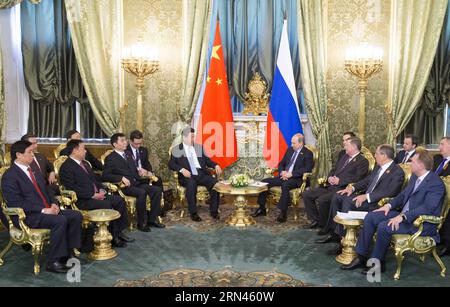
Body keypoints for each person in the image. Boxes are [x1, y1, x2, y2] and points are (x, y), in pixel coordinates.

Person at [341, 149, 445, 274]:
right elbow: (402, 196)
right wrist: (388, 206)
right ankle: (361, 257)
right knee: (371, 217)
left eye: (412, 161)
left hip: (420, 223)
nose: (409, 163)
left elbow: (428, 207)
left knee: (384, 226)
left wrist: (403, 217)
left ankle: (377, 264)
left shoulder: (435, 183)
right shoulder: (415, 177)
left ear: (421, 165)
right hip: (404, 215)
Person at [1, 141, 83, 273]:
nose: (33, 155)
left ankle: (68, 254)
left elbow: (48, 190)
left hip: (46, 209)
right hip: (27, 215)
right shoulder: (10, 176)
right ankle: (54, 261)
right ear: (18, 155)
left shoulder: (33, 170)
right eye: (30, 152)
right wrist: (44, 210)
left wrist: (54, 204)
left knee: (75, 215)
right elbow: (15, 202)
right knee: (60, 220)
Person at [317, 144, 404, 249]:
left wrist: (367, 196)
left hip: (377, 203)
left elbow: (391, 192)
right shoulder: (378, 167)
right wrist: (352, 188)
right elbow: (366, 181)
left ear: (384, 155)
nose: (374, 156)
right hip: (366, 198)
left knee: (348, 201)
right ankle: (336, 233)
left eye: (376, 154)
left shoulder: (397, 171)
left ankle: (345, 240)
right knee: (338, 195)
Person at [59, 139, 134, 248]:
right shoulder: (66, 167)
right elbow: (72, 188)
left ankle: (118, 232)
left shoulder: (85, 163)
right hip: (83, 200)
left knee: (119, 200)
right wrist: (92, 195)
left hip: (96, 195)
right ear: (75, 151)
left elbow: (94, 180)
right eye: (83, 149)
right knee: (107, 205)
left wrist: (101, 189)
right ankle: (112, 236)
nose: (85, 151)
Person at [102, 133, 165, 232]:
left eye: (125, 140)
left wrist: (141, 171)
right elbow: (105, 175)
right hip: (125, 186)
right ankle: (142, 223)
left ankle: (152, 219)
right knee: (142, 193)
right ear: (115, 144)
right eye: (122, 141)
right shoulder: (110, 158)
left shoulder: (128, 154)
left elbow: (134, 169)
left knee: (156, 190)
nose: (125, 142)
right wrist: (121, 177)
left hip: (136, 182)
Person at [303, 137, 369, 230]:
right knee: (307, 194)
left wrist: (340, 180)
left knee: (322, 200)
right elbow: (334, 169)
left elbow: (359, 178)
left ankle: (325, 226)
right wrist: (330, 177)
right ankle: (316, 220)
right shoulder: (344, 157)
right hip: (330, 186)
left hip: (342, 189)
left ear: (353, 147)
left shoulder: (362, 161)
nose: (344, 147)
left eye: (346, 145)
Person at [251, 133, 313, 223]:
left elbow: (307, 169)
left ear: (301, 143)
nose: (292, 145)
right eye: (292, 143)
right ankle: (261, 208)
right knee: (264, 182)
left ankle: (283, 212)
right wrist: (282, 172)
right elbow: (281, 164)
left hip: (297, 179)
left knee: (285, 184)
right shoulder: (289, 150)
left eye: (294, 143)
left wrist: (291, 174)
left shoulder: (308, 153)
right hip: (284, 176)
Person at [168, 127, 222, 222]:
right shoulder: (177, 149)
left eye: (194, 136)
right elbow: (171, 164)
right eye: (191, 137)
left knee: (215, 183)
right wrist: (182, 170)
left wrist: (216, 165)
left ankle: (214, 211)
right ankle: (193, 213)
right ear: (184, 137)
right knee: (191, 183)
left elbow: (207, 161)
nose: (193, 139)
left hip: (201, 174)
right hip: (187, 175)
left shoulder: (198, 147)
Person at [434, 137, 450, 256]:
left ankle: (447, 244)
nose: (439, 147)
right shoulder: (437, 159)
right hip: (434, 193)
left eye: (442, 144)